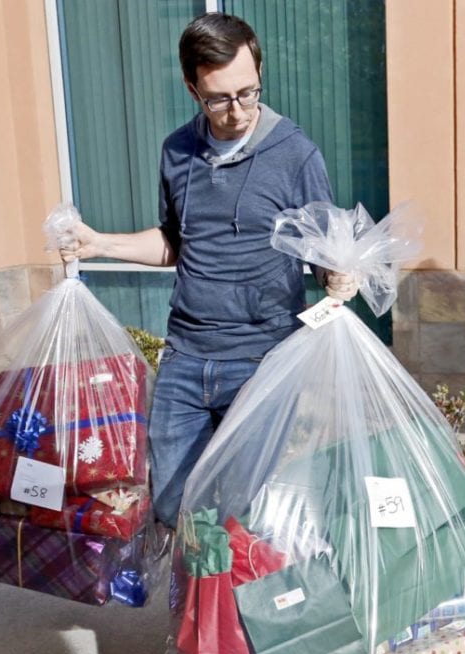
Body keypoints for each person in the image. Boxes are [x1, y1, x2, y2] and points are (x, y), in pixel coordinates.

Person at [58, 12, 355, 528]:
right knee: (174, 507)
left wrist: (339, 274)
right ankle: (196, 606)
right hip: (186, 357)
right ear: (192, 87)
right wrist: (99, 243)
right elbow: (176, 242)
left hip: (261, 359)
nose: (238, 110)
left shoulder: (295, 154)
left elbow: (321, 246)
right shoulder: (177, 150)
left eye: (249, 92)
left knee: (244, 513)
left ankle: (240, 608)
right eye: (219, 97)